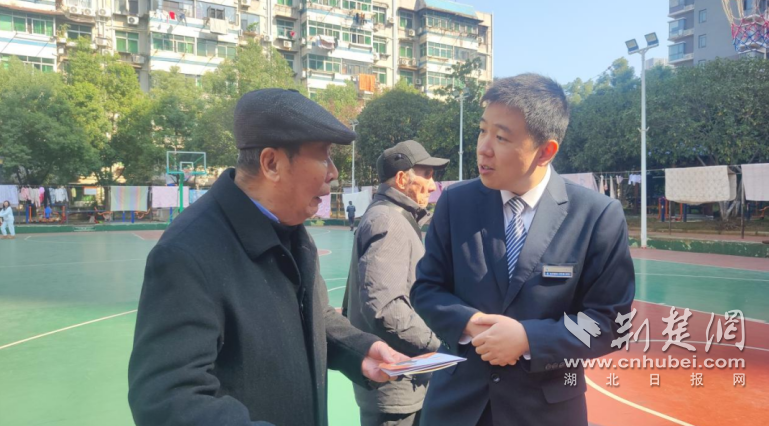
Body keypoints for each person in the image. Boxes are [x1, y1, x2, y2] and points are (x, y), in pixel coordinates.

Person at [128, 89, 409, 426]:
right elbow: (167, 398)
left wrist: (358, 350)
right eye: (323, 156)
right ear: (271, 163)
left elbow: (314, 315)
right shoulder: (187, 254)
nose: (333, 172)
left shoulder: (292, 230)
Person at [410, 74, 635, 426]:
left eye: (501, 137)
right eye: (482, 130)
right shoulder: (456, 202)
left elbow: (610, 323)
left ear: (545, 151)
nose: (484, 148)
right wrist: (469, 323)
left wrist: (528, 339)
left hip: (546, 412)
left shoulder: (596, 216)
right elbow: (426, 289)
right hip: (456, 407)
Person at [344, 140, 448, 426]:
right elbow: (385, 307)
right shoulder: (388, 220)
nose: (432, 185)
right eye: (427, 175)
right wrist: (442, 344)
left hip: (400, 383)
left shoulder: (389, 215)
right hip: (396, 387)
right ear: (402, 179)